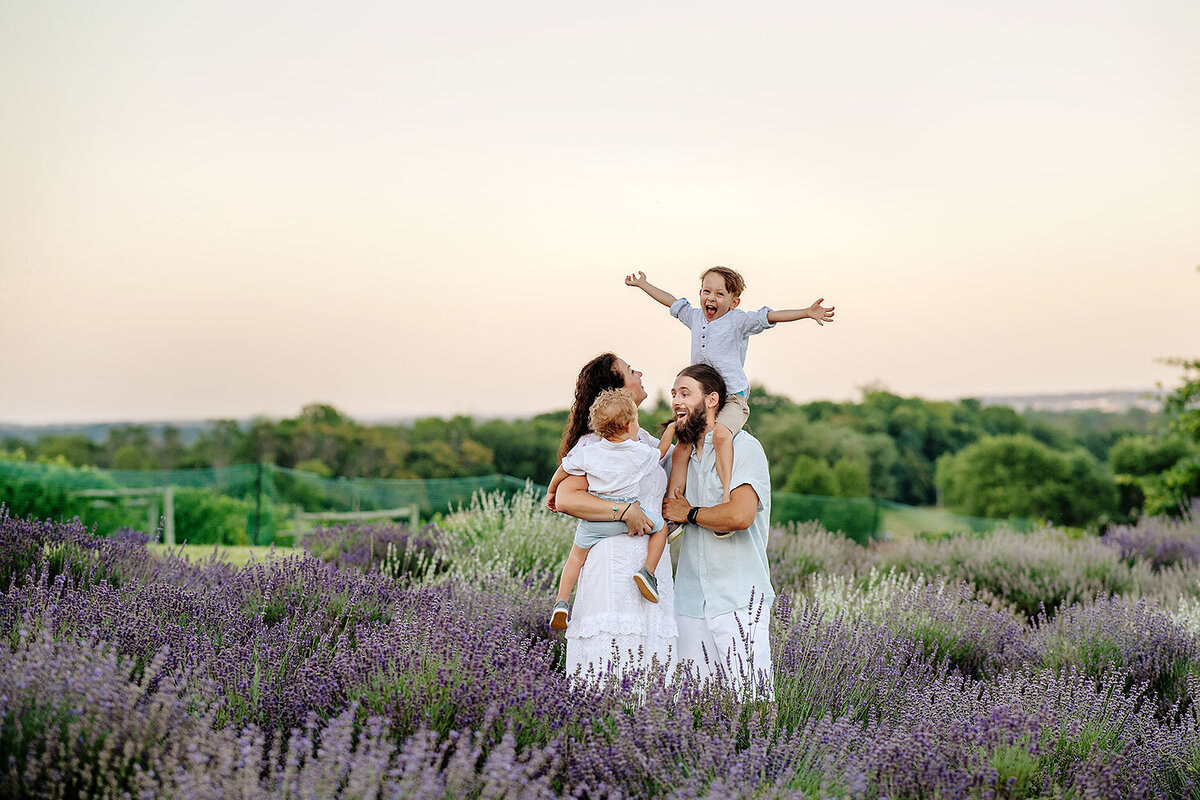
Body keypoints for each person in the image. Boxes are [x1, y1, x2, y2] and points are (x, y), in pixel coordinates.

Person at [625, 267, 833, 531]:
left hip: (732, 396)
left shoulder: (738, 321)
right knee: (682, 447)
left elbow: (771, 316)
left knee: (722, 435)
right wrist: (644, 284)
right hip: (703, 397)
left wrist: (806, 312)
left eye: (720, 294)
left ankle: (726, 496)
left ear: (734, 302)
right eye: (706, 291)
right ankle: (672, 511)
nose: (711, 298)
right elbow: (670, 300)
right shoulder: (695, 316)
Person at [551, 353, 678, 681]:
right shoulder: (596, 444)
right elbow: (566, 496)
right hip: (613, 560)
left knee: (651, 663)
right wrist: (625, 511)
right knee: (612, 657)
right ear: (616, 389)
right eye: (629, 370)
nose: (639, 371)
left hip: (649, 564)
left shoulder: (643, 441)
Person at [661, 363, 776, 696]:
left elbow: (740, 515)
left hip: (740, 599)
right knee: (692, 702)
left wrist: (691, 513)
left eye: (685, 393)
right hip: (690, 601)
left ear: (712, 400)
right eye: (673, 394)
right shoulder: (678, 456)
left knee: (753, 699)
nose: (676, 401)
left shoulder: (744, 447)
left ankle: (761, 749)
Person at [548, 389, 672, 630]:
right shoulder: (638, 453)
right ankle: (648, 572)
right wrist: (670, 431)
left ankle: (561, 602)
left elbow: (564, 469)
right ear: (628, 425)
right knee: (660, 528)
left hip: (594, 520)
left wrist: (552, 490)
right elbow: (662, 453)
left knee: (575, 558)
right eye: (635, 420)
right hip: (628, 518)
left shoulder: (589, 452)